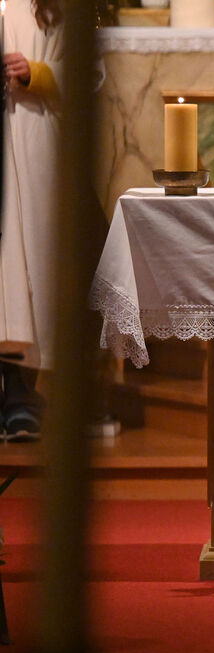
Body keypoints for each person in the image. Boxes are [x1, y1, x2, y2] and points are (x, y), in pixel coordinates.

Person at [0, 0, 64, 441]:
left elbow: (89, 73)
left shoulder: (53, 7)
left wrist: (34, 72)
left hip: (31, 134)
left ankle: (21, 396)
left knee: (27, 271)